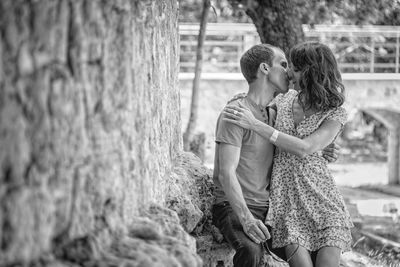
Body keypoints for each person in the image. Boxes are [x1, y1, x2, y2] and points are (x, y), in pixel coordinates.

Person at [223, 41, 353, 267]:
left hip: (323, 199)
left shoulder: (336, 113)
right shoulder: (283, 100)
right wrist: (239, 100)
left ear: (310, 71)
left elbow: (305, 148)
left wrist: (255, 125)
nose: (289, 72)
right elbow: (256, 100)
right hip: (287, 204)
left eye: (294, 67)